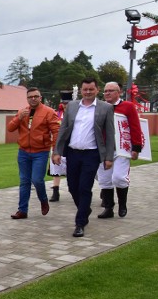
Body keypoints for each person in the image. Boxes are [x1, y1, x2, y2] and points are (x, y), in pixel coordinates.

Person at [52, 78, 115, 237]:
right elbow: (63, 130)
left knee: (84, 188)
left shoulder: (105, 108)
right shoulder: (72, 106)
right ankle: (85, 209)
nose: (88, 92)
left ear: (97, 90)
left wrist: (109, 157)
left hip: (91, 154)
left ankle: (80, 223)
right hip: (73, 153)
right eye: (85, 89)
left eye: (91, 89)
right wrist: (57, 151)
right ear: (81, 90)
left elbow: (110, 134)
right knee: (73, 187)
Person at [7, 87, 59, 219]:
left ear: (40, 98)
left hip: (40, 152)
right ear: (27, 98)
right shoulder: (22, 112)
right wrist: (19, 118)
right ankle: (22, 210)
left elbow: (56, 132)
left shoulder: (48, 112)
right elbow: (10, 128)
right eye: (30, 97)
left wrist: (56, 151)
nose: (33, 99)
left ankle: (43, 199)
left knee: (37, 180)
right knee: (24, 181)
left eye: (36, 96)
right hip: (24, 151)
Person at [96, 82, 144, 219]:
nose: (107, 93)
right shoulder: (99, 107)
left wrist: (136, 147)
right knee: (104, 180)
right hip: (104, 150)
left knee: (119, 177)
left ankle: (122, 204)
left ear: (119, 92)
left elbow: (135, 127)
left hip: (122, 149)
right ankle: (108, 208)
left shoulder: (128, 107)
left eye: (111, 90)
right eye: (105, 91)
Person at [48, 103, 67, 202]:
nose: (65, 106)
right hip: (57, 144)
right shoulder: (56, 115)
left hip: (71, 146)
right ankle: (56, 192)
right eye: (64, 103)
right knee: (56, 169)